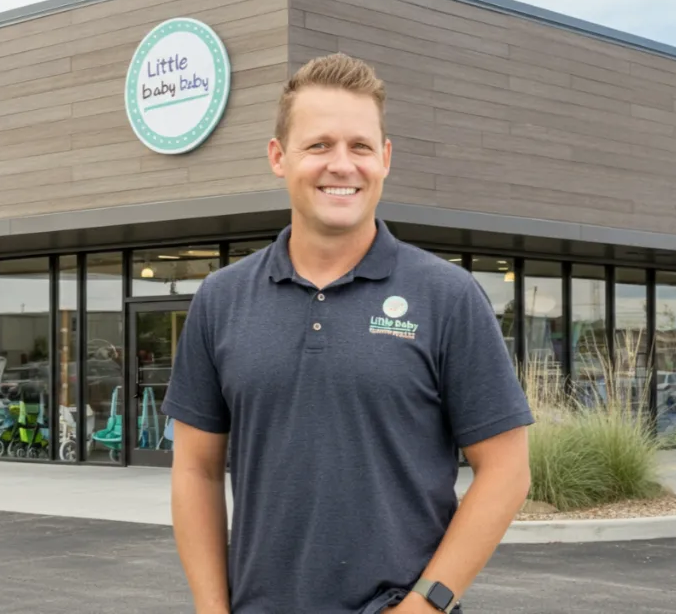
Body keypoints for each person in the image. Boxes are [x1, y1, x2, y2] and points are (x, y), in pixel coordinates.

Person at [161, 52, 535, 614]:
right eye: (318, 145)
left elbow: (507, 471)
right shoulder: (222, 298)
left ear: (384, 159)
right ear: (278, 157)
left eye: (360, 146)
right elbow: (196, 468)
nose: (342, 165)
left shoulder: (447, 296)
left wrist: (424, 606)